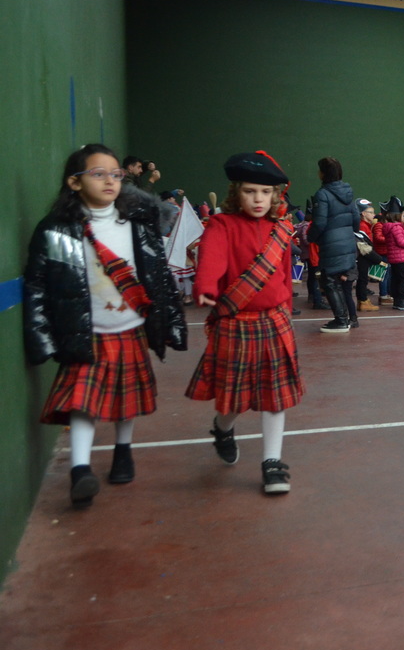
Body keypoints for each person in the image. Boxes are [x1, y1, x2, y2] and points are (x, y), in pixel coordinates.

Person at [24, 143, 187, 507]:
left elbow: (159, 276)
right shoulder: (58, 230)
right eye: (98, 174)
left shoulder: (137, 225)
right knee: (83, 404)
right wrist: (41, 337)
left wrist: (173, 323)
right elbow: (37, 283)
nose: (110, 181)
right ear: (74, 182)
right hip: (86, 331)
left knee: (126, 399)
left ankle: (123, 450)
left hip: (130, 327)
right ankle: (80, 469)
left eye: (116, 174)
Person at [185, 152, 306, 495]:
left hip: (274, 321)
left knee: (275, 397)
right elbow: (211, 259)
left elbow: (284, 275)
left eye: (265, 192)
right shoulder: (221, 225)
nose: (258, 199)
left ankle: (272, 462)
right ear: (236, 192)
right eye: (250, 191)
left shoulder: (280, 230)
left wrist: (286, 307)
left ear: (275, 195)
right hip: (235, 322)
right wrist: (205, 286)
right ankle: (223, 428)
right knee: (234, 400)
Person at [309, 157, 360, 333]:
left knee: (329, 281)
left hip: (331, 244)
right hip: (348, 243)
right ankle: (346, 318)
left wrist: (311, 237)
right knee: (340, 283)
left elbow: (319, 223)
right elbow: (356, 219)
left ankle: (341, 320)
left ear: (323, 173)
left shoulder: (322, 194)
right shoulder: (347, 193)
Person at [353, 199, 382, 312]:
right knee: (362, 279)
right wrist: (377, 258)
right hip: (362, 257)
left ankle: (363, 300)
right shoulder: (362, 226)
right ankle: (363, 301)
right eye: (371, 212)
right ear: (364, 214)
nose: (374, 215)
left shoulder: (366, 225)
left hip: (364, 257)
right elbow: (362, 245)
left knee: (363, 279)